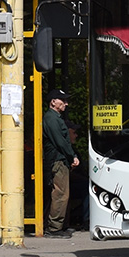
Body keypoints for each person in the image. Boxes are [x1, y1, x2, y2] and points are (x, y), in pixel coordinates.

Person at [43, 89, 79, 237]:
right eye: (62, 100)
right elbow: (60, 142)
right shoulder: (51, 119)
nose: (66, 103)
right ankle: (54, 229)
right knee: (60, 194)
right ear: (53, 102)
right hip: (58, 160)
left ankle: (60, 225)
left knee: (63, 193)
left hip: (59, 159)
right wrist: (72, 156)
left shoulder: (54, 118)